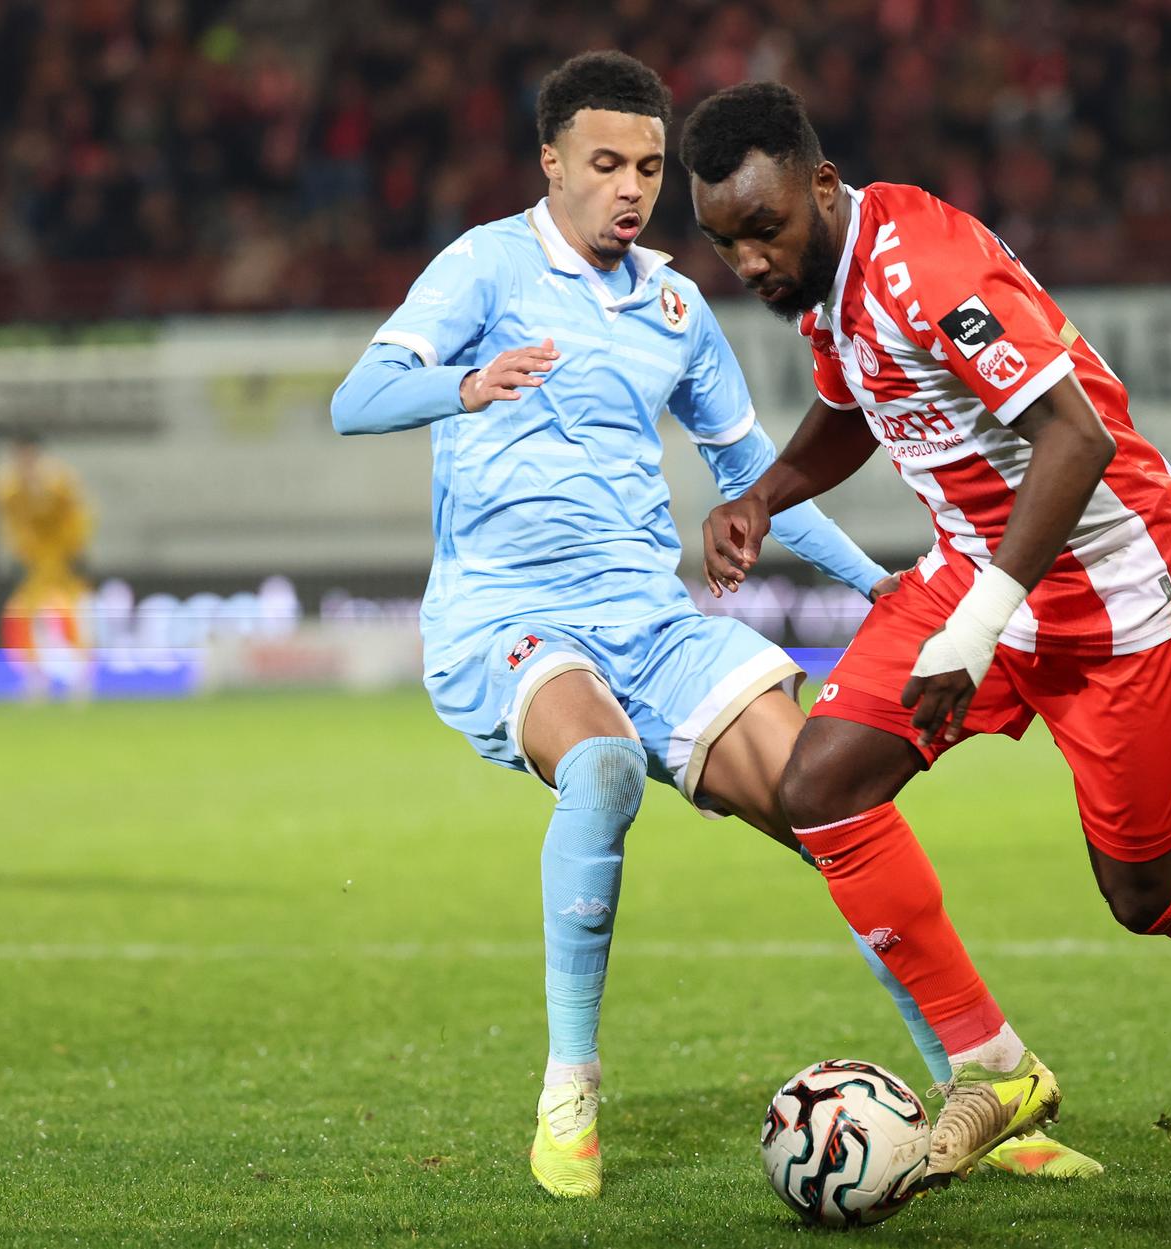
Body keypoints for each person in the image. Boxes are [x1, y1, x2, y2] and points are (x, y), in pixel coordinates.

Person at [330, 52, 1099, 1199]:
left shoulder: (675, 306)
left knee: (832, 811)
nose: (629, 188)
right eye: (604, 164)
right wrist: (467, 383)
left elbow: (753, 477)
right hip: (508, 615)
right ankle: (570, 1090)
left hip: (653, 624)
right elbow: (356, 400)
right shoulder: (485, 267)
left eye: (647, 168)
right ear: (551, 165)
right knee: (601, 767)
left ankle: (983, 1084)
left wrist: (876, 585)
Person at [681, 80, 1171, 1187]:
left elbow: (1076, 440)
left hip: (1124, 598)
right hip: (977, 573)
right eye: (725, 242)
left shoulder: (924, 267)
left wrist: (980, 626)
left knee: (1141, 891)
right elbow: (853, 403)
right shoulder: (827, 282)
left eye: (763, 228)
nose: (749, 261)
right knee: (821, 784)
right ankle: (994, 1066)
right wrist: (765, 496)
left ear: (821, 185)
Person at [0, 432, 95, 678]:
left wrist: (78, 549)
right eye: (20, 457)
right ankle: (33, 675)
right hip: (33, 565)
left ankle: (82, 674)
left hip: (62, 562)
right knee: (26, 616)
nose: (25, 463)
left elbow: (77, 515)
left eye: (29, 457)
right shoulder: (8, 486)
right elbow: (3, 508)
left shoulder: (59, 480)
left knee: (74, 615)